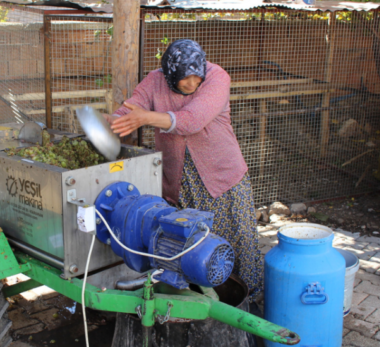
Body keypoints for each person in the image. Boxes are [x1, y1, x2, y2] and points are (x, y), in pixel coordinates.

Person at [107, 39, 264, 300]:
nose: (192, 84)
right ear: (169, 74)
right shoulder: (156, 80)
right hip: (180, 182)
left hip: (222, 179)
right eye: (184, 80)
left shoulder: (217, 78)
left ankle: (247, 301)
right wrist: (113, 120)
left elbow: (192, 119)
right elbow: (134, 105)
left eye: (196, 78)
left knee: (236, 242)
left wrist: (147, 118)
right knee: (190, 246)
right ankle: (198, 302)